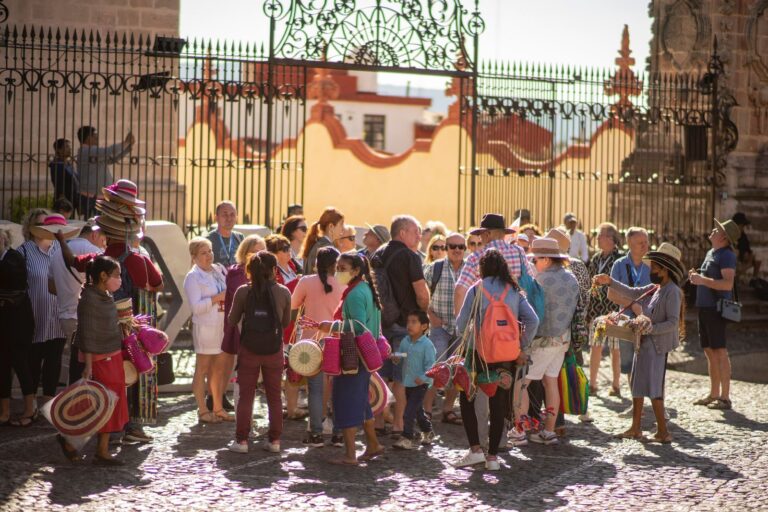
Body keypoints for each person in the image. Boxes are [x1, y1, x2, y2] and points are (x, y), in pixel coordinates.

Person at [454, 250, 539, 470]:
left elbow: (460, 326)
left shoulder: (477, 289)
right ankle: (492, 458)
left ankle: (475, 450)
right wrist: (520, 346)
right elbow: (533, 320)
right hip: (505, 356)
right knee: (498, 403)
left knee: (467, 398)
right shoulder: (514, 290)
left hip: (478, 353)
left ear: (482, 268)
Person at [594, 243, 685, 443]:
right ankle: (635, 428)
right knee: (637, 385)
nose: (651, 271)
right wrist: (609, 281)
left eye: (654, 267)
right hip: (643, 344)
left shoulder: (672, 291)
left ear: (665, 270)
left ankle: (663, 432)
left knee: (654, 389)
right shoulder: (655, 288)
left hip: (656, 347)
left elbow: (672, 323)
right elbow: (632, 292)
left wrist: (650, 328)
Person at [310, 253, 385, 465]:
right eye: (338, 268)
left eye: (342, 268)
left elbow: (358, 327)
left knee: (345, 402)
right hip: (365, 355)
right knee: (361, 402)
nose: (338, 272)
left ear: (356, 271)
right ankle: (373, 445)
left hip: (353, 357)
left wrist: (331, 326)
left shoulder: (355, 294)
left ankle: (350, 454)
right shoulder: (364, 289)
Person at [56, 255, 130, 465]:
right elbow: (87, 334)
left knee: (111, 400)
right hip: (97, 358)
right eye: (116, 275)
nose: (119, 279)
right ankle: (77, 442)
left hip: (112, 353)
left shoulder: (106, 296)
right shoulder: (88, 299)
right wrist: (88, 366)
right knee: (100, 402)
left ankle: (100, 449)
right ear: (103, 276)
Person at [510, 238, 578, 447]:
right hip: (562, 339)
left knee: (521, 384)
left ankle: (519, 432)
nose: (533, 263)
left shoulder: (540, 280)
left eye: (535, 259)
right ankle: (548, 431)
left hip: (542, 341)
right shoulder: (571, 278)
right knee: (551, 383)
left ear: (547, 259)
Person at [227, 251, 292, 453]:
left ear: (250, 270)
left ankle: (242, 441)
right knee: (274, 396)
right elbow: (285, 322)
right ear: (274, 270)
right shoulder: (283, 292)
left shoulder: (243, 292)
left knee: (246, 396)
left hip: (249, 348)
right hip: (274, 349)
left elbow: (231, 320)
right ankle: (274, 441)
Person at [371, 215, 429, 437]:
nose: (419, 235)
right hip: (406, 326)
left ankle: (378, 422)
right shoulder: (409, 256)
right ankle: (398, 425)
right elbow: (421, 294)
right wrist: (423, 316)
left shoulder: (377, 253)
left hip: (380, 324)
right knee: (402, 378)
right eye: (415, 231)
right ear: (402, 233)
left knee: (381, 375)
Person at [291, 247, 344, 447]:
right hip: (336, 338)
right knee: (337, 389)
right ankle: (339, 434)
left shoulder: (306, 281)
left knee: (314, 390)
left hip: (311, 341)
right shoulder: (343, 283)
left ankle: (316, 434)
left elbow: (293, 304)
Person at [689, 219, 739, 411]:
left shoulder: (727, 255)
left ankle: (725, 398)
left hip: (716, 309)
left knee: (720, 351)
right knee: (709, 351)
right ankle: (714, 394)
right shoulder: (712, 252)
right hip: (705, 308)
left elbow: (727, 284)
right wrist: (697, 278)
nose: (713, 230)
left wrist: (702, 280)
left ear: (724, 237)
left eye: (717, 229)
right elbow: (709, 278)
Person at [19, 210, 67, 405]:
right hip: (35, 317)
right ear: (31, 228)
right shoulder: (23, 252)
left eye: (47, 224)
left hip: (58, 317)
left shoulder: (61, 249)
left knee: (53, 363)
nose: (44, 228)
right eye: (39, 224)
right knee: (32, 363)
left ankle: (48, 406)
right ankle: (30, 406)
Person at [48, 219, 105, 386]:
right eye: (103, 240)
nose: (104, 244)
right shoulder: (95, 252)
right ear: (94, 235)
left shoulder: (57, 252)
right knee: (87, 365)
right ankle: (84, 396)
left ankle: (74, 395)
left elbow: (51, 287)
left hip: (65, 316)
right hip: (86, 317)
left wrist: (67, 291)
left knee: (74, 361)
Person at [183, 238, 232, 423]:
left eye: (210, 251)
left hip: (221, 325)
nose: (209, 255)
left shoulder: (219, 270)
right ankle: (202, 410)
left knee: (218, 369)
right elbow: (196, 308)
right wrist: (217, 298)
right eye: (203, 253)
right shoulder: (193, 277)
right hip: (205, 327)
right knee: (202, 369)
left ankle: (218, 407)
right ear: (194, 257)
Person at [422, 232, 466, 425]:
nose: (456, 250)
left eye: (460, 246)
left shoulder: (471, 270)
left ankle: (448, 409)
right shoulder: (434, 268)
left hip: (462, 329)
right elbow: (421, 294)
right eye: (452, 246)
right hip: (439, 327)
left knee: (457, 370)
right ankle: (426, 410)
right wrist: (430, 316)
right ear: (446, 248)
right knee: (436, 369)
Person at [454, 213, 531, 318]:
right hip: (515, 318)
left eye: (480, 235)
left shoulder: (475, 257)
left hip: (486, 320)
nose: (480, 238)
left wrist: (460, 323)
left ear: (487, 234)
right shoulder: (519, 252)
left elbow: (460, 291)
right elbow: (530, 279)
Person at [221, 234, 266, 402]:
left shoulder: (262, 272)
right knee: (242, 373)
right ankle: (241, 410)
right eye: (255, 251)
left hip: (259, 329)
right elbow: (243, 299)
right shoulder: (236, 272)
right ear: (245, 252)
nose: (259, 255)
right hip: (242, 329)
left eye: (262, 251)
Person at [0, 228, 37, 427]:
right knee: (3, 366)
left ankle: (30, 409)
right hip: (4, 322)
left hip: (18, 323)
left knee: (21, 364)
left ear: (5, 240)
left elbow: (12, 280)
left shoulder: (13, 258)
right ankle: (5, 411)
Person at [265, 234, 303, 420]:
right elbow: (278, 295)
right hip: (281, 325)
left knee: (294, 368)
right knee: (277, 369)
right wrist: (299, 283)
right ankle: (277, 408)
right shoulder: (273, 273)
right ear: (274, 254)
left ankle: (292, 408)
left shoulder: (293, 267)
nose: (289, 252)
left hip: (296, 322)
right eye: (284, 249)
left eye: (289, 248)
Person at [610, 226, 651, 394]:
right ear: (629, 243)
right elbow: (612, 294)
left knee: (648, 359)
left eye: (646, 242)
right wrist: (633, 305)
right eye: (640, 243)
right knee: (629, 362)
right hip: (627, 320)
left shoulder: (652, 264)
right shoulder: (619, 265)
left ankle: (651, 397)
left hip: (649, 318)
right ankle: (636, 398)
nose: (645, 246)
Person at [587, 222, 624, 395]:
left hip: (615, 312)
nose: (597, 238)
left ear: (610, 238)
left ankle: (616, 385)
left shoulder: (620, 259)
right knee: (596, 346)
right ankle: (592, 384)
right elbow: (590, 282)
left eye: (600, 235)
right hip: (597, 313)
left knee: (615, 349)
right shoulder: (596, 258)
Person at [393, 310, 437, 450]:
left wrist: (423, 378)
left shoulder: (427, 345)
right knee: (418, 411)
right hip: (408, 382)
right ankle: (428, 431)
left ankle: (407, 437)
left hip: (421, 384)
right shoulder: (406, 341)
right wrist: (396, 356)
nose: (409, 325)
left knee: (409, 411)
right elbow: (404, 354)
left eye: (414, 322)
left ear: (424, 326)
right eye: (408, 322)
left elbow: (432, 365)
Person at [76, 126, 134, 217]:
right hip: (90, 197)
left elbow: (112, 159)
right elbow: (109, 151)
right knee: (92, 222)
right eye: (94, 135)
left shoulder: (94, 154)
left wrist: (127, 147)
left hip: (96, 195)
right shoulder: (86, 151)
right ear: (88, 138)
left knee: (98, 221)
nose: (97, 138)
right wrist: (125, 143)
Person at [302, 207, 344, 274]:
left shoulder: (315, 243)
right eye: (341, 224)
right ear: (331, 226)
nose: (343, 228)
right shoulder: (328, 249)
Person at [207, 201, 244, 268]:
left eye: (232, 215)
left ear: (236, 217)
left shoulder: (240, 238)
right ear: (216, 218)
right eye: (225, 215)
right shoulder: (208, 240)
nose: (229, 218)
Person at [49, 138, 81, 213]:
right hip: (65, 201)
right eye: (66, 147)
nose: (70, 149)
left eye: (69, 147)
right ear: (59, 150)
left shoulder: (68, 164)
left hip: (73, 199)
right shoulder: (57, 165)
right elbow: (58, 183)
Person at [731, 212, 761, 281]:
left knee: (757, 258)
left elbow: (747, 247)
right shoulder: (731, 234)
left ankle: (754, 279)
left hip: (742, 257)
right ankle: (735, 277)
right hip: (732, 258)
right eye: (741, 225)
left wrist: (749, 255)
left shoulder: (743, 235)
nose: (742, 227)